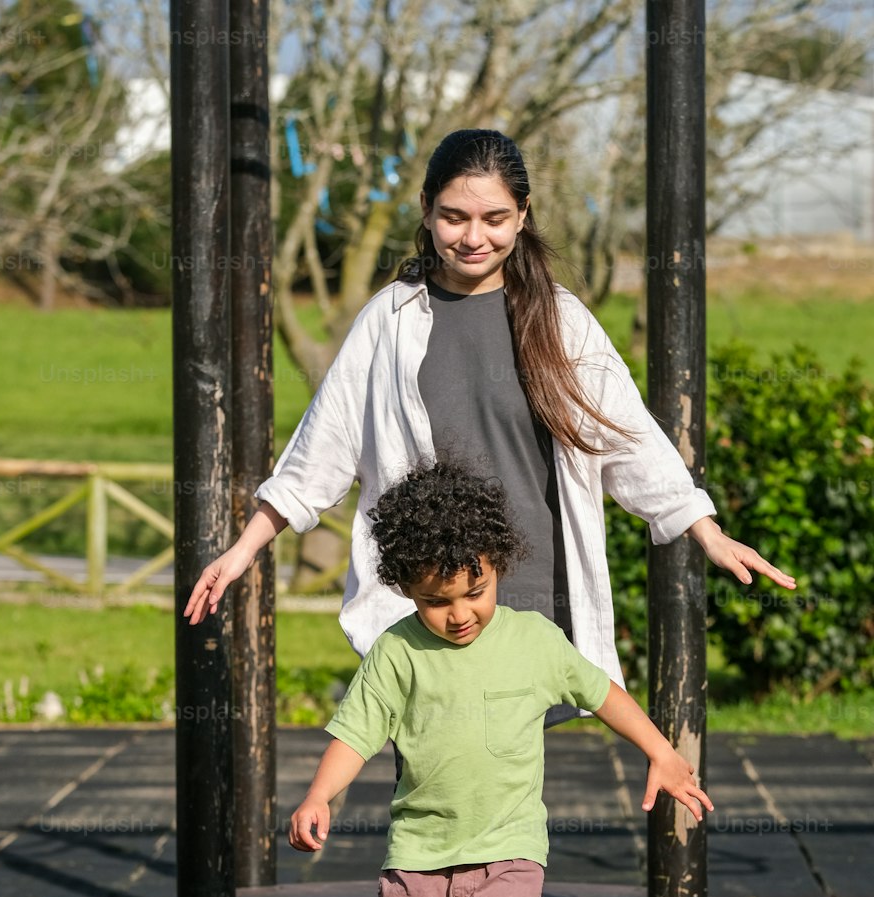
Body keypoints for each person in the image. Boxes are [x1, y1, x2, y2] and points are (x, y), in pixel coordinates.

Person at [184, 127, 795, 682]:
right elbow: (320, 452)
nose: (474, 237)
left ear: (523, 215)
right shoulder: (388, 323)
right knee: (432, 788)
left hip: (536, 600)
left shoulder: (562, 322)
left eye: (494, 218)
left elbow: (629, 438)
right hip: (427, 605)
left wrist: (703, 529)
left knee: (511, 793)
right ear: (425, 211)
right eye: (454, 217)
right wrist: (244, 549)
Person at [287, 459, 714, 897]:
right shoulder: (397, 654)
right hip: (418, 858)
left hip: (509, 855)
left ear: (497, 565)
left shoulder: (532, 641)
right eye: (435, 601)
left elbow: (600, 691)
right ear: (407, 590)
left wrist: (663, 754)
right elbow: (356, 731)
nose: (459, 614)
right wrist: (319, 795)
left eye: (473, 591)